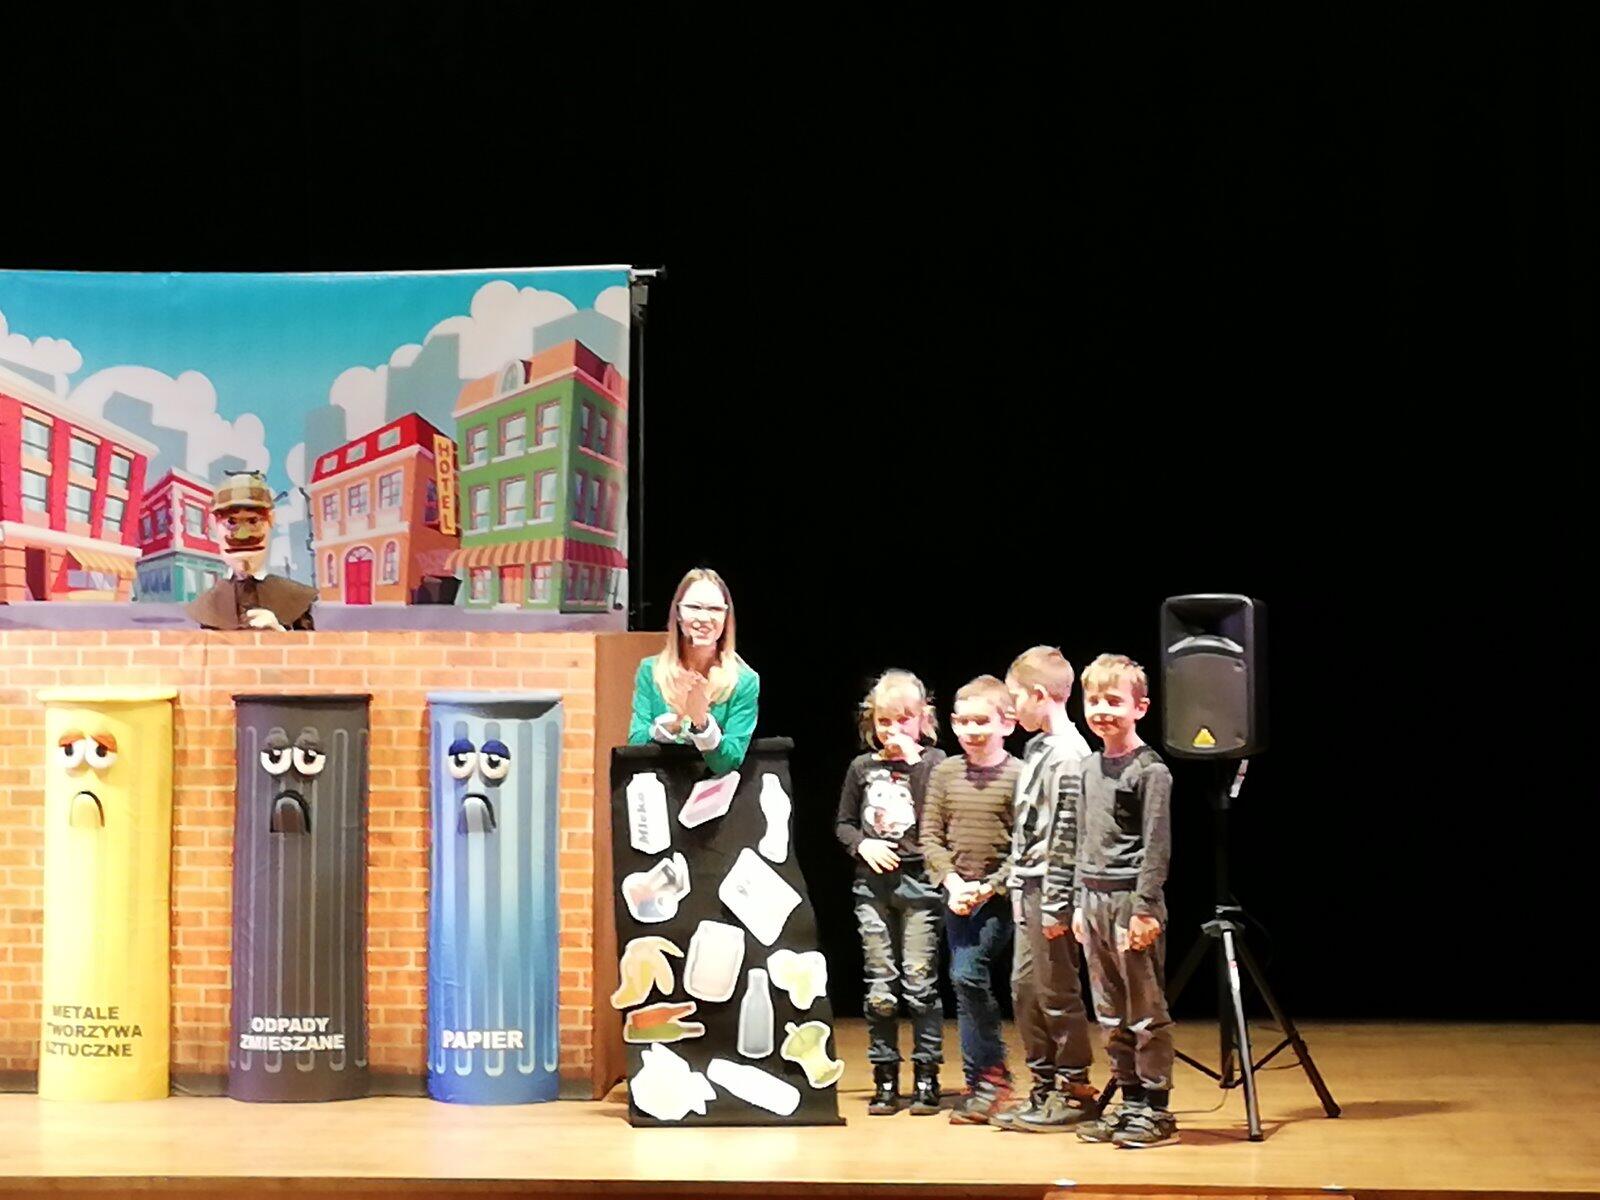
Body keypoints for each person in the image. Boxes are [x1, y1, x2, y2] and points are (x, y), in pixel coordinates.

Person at [1064, 654, 1178, 1149]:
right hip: (1092, 901)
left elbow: (1156, 846)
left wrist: (1145, 908)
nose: (1102, 710)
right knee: (1109, 1011)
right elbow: (1080, 841)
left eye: (1114, 701)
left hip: (1130, 902)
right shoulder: (1088, 767)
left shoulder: (1151, 772)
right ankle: (1128, 1100)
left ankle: (1156, 1109)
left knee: (1145, 1012)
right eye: (1094, 700)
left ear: (1139, 708)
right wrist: (1076, 902)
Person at [995, 646, 1098, 1132]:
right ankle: (1043, 1083)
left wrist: (1059, 903)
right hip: (1027, 884)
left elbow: (1067, 838)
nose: (1011, 708)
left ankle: (1075, 1087)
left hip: (1051, 889)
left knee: (1057, 989)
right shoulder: (1037, 748)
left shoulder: (1071, 756)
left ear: (1039, 695)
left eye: (1015, 697)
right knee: (1025, 988)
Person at [835, 669, 947, 1116]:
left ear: (923, 719)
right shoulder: (862, 768)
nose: (893, 730)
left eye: (904, 720)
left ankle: (927, 1076)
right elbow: (844, 823)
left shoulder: (936, 764)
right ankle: (884, 1077)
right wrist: (862, 845)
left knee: (920, 982)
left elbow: (935, 813)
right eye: (885, 721)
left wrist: (914, 762)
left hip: (920, 885)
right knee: (880, 986)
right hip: (873, 886)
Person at [919, 674, 1023, 1124]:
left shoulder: (1020, 775)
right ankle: (983, 1078)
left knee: (968, 974)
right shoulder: (945, 772)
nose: (970, 730)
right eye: (962, 721)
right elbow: (930, 835)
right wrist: (952, 883)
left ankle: (992, 1077)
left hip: (1000, 897)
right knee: (964, 982)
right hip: (958, 896)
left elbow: (1025, 844)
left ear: (1007, 723)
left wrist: (991, 885)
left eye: (982, 721)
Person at [627, 567, 758, 776]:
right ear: (678, 614)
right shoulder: (650, 671)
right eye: (695, 607)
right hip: (661, 786)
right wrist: (672, 725)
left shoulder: (744, 681)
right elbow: (635, 745)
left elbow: (729, 761)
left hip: (714, 790)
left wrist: (702, 725)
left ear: (726, 617)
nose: (704, 618)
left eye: (715, 609)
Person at [187, 471, 316, 631]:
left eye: (253, 521)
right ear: (214, 525)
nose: (243, 535)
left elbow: (309, 644)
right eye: (231, 522)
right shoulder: (210, 604)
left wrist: (280, 633)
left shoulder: (294, 597)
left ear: (270, 520)